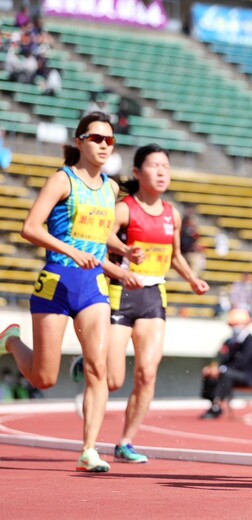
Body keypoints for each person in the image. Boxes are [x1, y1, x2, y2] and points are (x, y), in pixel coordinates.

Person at [0, 112, 143, 472]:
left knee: (98, 369)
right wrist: (69, 251)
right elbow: (30, 228)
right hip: (56, 281)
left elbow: (99, 238)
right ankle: (12, 341)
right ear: (79, 141)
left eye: (110, 140)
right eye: (97, 138)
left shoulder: (111, 189)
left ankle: (89, 449)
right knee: (45, 378)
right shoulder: (61, 181)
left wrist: (120, 260)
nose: (104, 146)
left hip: (92, 286)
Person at [72, 144, 209, 463]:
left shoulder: (172, 213)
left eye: (166, 166)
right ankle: (87, 361)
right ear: (137, 172)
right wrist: (125, 250)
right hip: (121, 292)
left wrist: (191, 279)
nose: (162, 172)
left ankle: (125, 441)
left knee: (147, 372)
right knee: (114, 379)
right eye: (154, 166)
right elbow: (101, 240)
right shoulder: (124, 209)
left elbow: (175, 256)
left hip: (153, 296)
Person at [200, 308, 252, 419]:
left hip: (250, 377)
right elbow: (219, 355)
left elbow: (242, 363)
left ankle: (217, 405)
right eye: (232, 325)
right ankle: (213, 403)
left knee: (226, 373)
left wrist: (221, 369)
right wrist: (213, 367)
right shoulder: (230, 341)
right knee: (211, 373)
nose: (234, 327)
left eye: (236, 324)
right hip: (234, 374)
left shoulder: (251, 342)